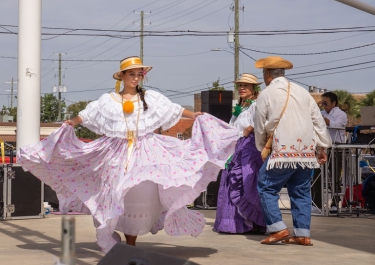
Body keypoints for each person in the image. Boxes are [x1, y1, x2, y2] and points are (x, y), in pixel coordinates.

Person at [17, 56, 240, 252]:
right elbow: (87, 115)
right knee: (115, 195)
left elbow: (172, 109)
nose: (136, 78)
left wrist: (194, 115)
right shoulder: (108, 101)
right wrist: (71, 122)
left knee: (140, 194)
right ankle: (117, 237)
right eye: (132, 74)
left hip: (146, 150)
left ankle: (131, 242)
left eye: (139, 74)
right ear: (122, 76)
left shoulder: (150, 98)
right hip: (116, 152)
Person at [254, 56, 331, 246]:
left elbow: (260, 125)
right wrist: (322, 147)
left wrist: (262, 147)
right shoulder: (302, 92)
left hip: (282, 151)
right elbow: (318, 122)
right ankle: (302, 234)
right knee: (301, 191)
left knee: (266, 186)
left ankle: (278, 228)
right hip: (305, 153)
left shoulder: (266, 94)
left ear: (268, 74)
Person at [213, 74, 266, 233]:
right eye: (240, 86)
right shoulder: (239, 108)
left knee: (246, 182)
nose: (242, 88)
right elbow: (232, 127)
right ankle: (234, 224)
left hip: (249, 148)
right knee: (232, 181)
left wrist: (248, 130)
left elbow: (259, 124)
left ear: (254, 89)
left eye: (246, 86)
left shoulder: (256, 105)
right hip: (236, 148)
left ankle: (253, 222)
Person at [320, 91, 348, 212]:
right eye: (322, 103)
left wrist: (322, 119)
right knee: (318, 175)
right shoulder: (321, 113)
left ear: (333, 103)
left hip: (335, 147)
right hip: (322, 147)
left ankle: (335, 204)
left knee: (335, 176)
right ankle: (316, 203)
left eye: (325, 103)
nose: (323, 105)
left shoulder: (341, 114)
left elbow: (336, 125)